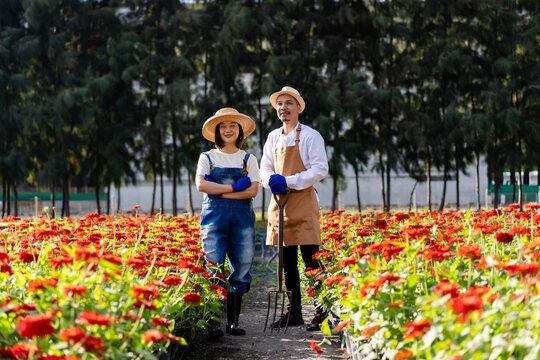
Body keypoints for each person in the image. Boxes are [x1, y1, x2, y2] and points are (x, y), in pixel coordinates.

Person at [259, 86, 329, 331]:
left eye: (289, 103)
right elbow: (264, 168)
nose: (283, 108)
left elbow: (320, 169)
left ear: (298, 107)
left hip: (303, 203)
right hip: (279, 204)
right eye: (280, 104)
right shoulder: (273, 137)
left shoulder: (310, 136)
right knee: (287, 264)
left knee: (312, 260)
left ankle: (323, 310)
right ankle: (295, 312)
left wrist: (288, 181)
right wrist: (271, 181)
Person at [196, 108, 260, 339]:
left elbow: (253, 190)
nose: (228, 130)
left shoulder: (248, 158)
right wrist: (233, 189)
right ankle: (213, 323)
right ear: (217, 131)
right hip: (214, 219)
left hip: (242, 219)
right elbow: (202, 186)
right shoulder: (207, 157)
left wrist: (220, 192)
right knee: (213, 266)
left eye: (233, 125)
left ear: (240, 130)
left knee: (241, 267)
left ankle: (233, 322)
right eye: (223, 126)